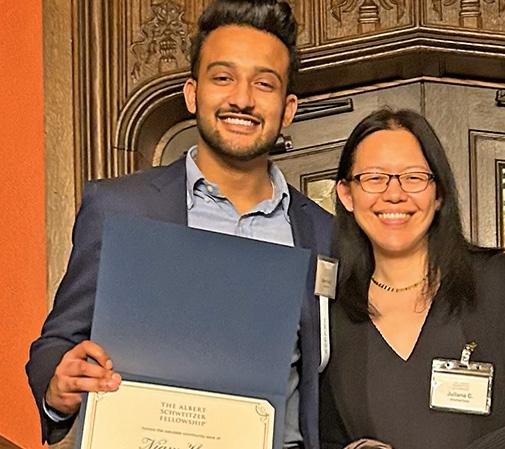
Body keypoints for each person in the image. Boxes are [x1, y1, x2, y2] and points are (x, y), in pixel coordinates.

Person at [26, 1, 333, 447]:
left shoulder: (323, 232)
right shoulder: (119, 208)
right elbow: (56, 342)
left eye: (263, 83)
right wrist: (59, 385)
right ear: (192, 94)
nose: (242, 98)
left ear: (287, 109)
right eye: (223, 78)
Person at [319, 109, 505, 449]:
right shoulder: (328, 315)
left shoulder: (497, 282)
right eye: (374, 178)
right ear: (347, 195)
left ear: (439, 194)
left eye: (414, 177)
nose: (394, 194)